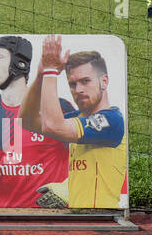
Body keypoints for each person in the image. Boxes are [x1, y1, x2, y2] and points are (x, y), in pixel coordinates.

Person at [0, 37, 70, 209]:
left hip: (52, 221)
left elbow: (88, 161)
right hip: (2, 220)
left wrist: (68, 188)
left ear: (20, 64)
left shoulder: (59, 107)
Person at [19, 37, 127, 209]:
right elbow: (26, 121)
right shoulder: (79, 118)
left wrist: (50, 72)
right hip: (80, 216)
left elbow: (53, 125)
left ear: (104, 81)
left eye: (85, 81)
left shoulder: (112, 121)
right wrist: (41, 75)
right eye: (72, 84)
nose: (78, 90)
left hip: (100, 219)